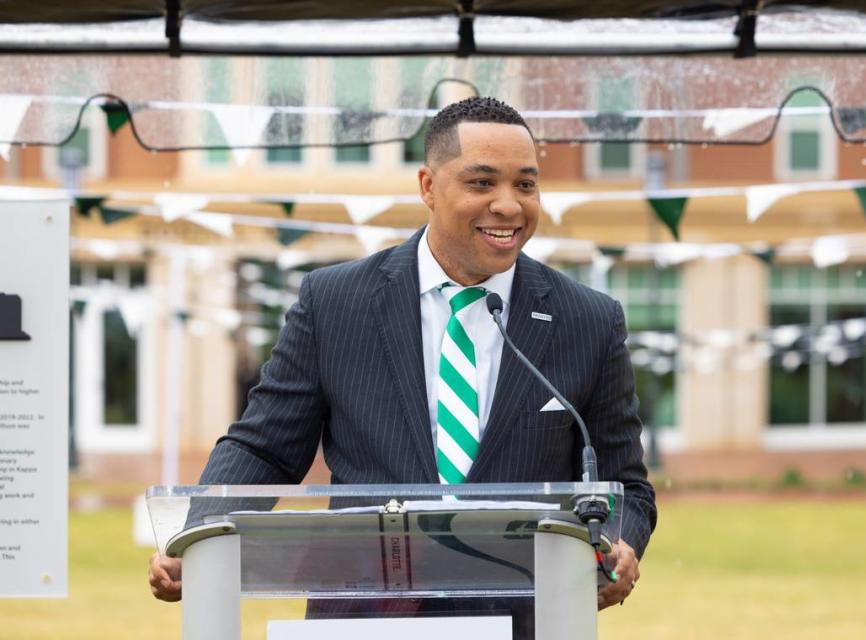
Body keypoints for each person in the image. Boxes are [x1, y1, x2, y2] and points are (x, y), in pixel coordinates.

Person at [150, 96, 657, 621]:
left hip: (529, 620)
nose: (508, 205)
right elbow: (265, 447)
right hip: (367, 616)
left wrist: (623, 544)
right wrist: (195, 533)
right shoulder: (335, 302)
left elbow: (626, 484)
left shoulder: (590, 320)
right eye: (482, 183)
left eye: (525, 185)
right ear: (428, 187)